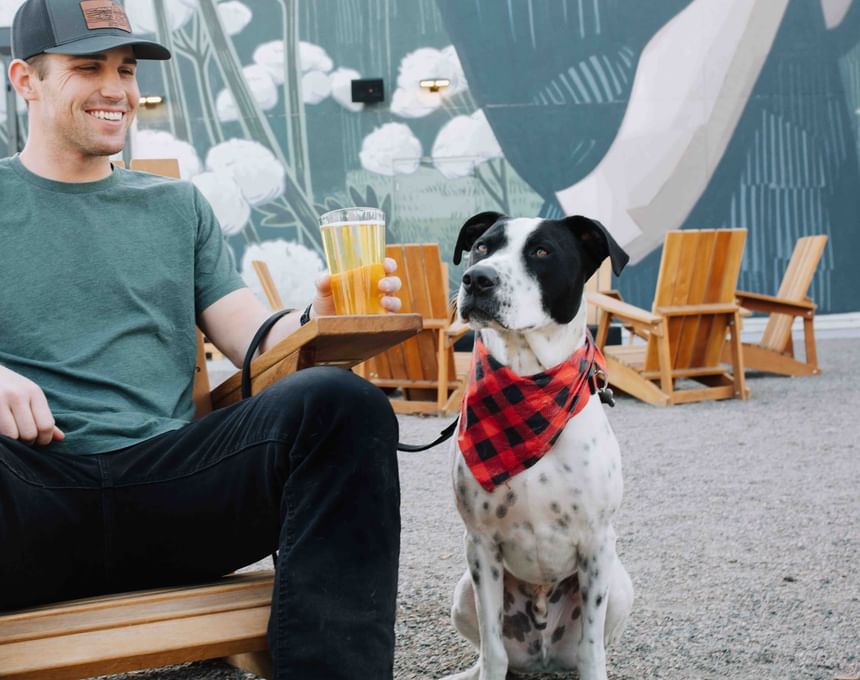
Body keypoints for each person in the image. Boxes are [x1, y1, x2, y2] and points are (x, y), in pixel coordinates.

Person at [0, 1, 403, 677]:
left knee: (341, 402)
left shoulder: (177, 207)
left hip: (173, 489)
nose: (116, 89)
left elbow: (253, 337)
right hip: (29, 496)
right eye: (87, 67)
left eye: (125, 70)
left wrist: (316, 318)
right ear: (26, 81)